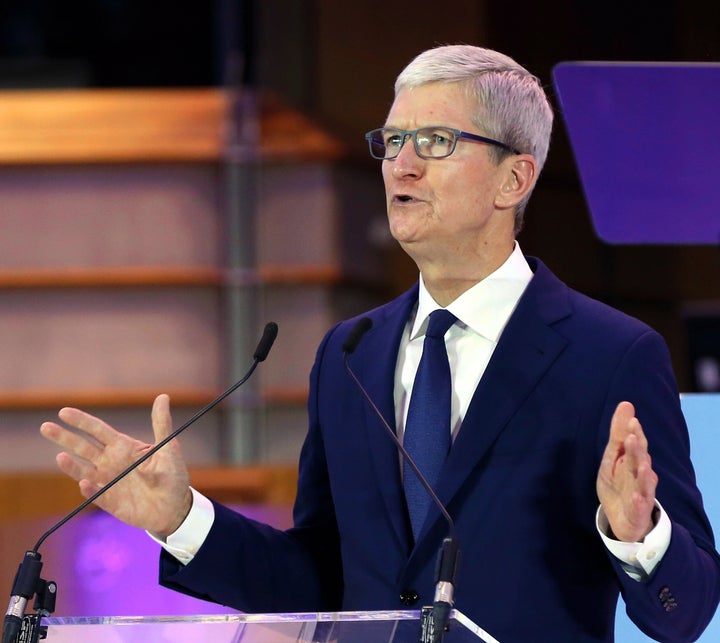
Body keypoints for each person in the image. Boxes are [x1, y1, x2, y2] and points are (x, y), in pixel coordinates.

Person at [40, 45, 720, 642]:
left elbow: (683, 614)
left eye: (435, 142)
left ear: (514, 179)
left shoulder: (609, 354)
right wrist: (186, 520)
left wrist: (640, 535)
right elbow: (319, 581)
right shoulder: (350, 354)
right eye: (393, 142)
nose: (402, 165)